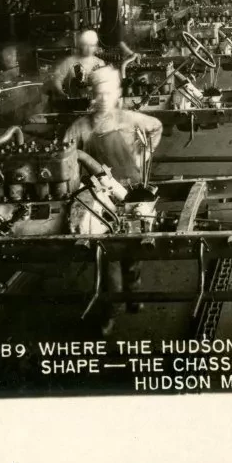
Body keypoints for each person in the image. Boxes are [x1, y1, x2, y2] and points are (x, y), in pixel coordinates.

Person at [65, 66, 163, 333]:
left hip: (131, 193)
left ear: (118, 93)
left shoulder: (130, 119)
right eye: (98, 93)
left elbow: (156, 126)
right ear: (92, 95)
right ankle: (112, 310)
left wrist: (144, 155)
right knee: (108, 257)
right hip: (101, 199)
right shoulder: (80, 127)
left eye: (108, 92)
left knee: (133, 250)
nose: (103, 98)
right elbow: (66, 157)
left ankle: (134, 295)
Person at [50, 29, 105, 99]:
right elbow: (57, 78)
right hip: (73, 102)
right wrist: (61, 92)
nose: (88, 49)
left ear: (95, 47)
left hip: (94, 102)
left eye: (91, 45)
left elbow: (104, 85)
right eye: (86, 45)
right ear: (81, 46)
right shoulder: (69, 61)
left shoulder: (100, 63)